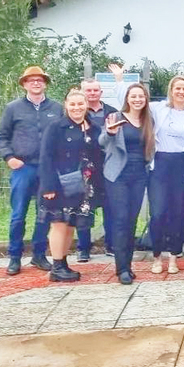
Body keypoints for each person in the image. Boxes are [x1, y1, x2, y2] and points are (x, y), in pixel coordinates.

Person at [110, 65, 184, 274]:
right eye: (177, 88)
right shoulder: (158, 108)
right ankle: (157, 255)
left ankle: (173, 257)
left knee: (179, 214)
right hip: (159, 164)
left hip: (182, 164)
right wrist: (119, 80)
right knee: (159, 212)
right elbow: (133, 101)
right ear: (171, 90)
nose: (181, 92)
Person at [0, 65, 62, 275]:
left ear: (45, 83)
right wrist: (9, 157)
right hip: (22, 167)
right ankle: (14, 257)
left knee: (44, 214)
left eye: (39, 80)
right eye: (31, 80)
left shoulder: (56, 108)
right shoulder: (13, 108)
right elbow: (1, 137)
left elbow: (62, 136)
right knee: (18, 214)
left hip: (47, 169)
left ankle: (39, 255)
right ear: (24, 84)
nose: (35, 83)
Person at [38, 89, 104, 282]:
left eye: (80, 104)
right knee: (59, 224)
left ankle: (64, 262)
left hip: (84, 186)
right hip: (60, 183)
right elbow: (46, 157)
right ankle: (56, 266)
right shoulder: (56, 127)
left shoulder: (93, 127)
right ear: (66, 105)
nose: (77, 108)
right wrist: (48, 186)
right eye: (72, 104)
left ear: (86, 105)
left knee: (71, 225)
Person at [100, 83, 155, 284]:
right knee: (121, 219)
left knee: (131, 220)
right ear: (127, 98)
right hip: (118, 175)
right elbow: (101, 141)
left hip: (139, 174)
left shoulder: (148, 120)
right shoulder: (116, 117)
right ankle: (121, 268)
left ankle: (127, 265)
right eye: (134, 96)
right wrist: (110, 133)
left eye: (141, 96)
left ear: (146, 99)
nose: (138, 99)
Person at [78, 78, 117, 260]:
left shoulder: (112, 113)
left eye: (95, 90)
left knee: (111, 209)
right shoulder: (76, 113)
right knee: (85, 208)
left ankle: (111, 245)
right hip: (85, 168)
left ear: (101, 92)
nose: (92, 93)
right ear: (83, 92)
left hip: (108, 166)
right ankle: (83, 248)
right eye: (88, 90)